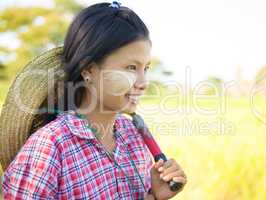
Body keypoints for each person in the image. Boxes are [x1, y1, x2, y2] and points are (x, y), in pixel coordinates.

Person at [1, 2, 186, 199]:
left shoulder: (132, 134)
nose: (143, 83)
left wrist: (154, 195)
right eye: (131, 68)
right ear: (88, 70)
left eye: (145, 68)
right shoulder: (51, 147)